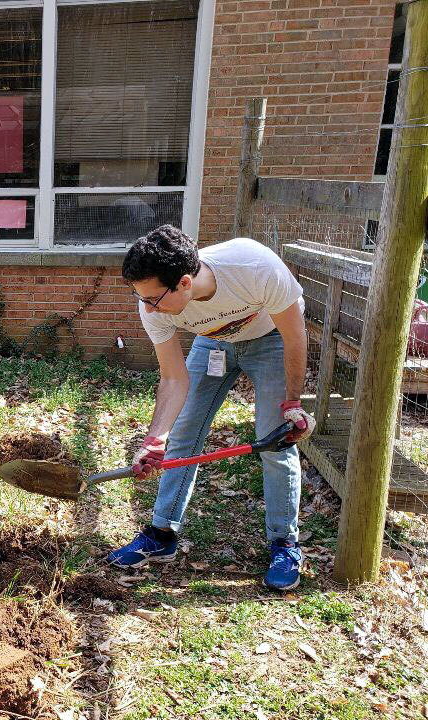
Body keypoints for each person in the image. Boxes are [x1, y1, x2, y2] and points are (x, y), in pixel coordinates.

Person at [107, 225, 316, 591]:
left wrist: (293, 403)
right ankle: (162, 534)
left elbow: (295, 336)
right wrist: (155, 438)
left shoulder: (255, 267)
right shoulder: (154, 304)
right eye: (140, 297)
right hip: (214, 342)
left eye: (153, 299)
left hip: (271, 338)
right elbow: (173, 379)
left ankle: (285, 543)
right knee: (184, 432)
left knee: (275, 442)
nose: (146, 307)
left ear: (185, 282)